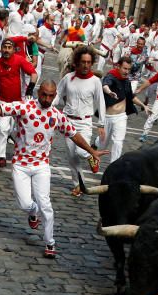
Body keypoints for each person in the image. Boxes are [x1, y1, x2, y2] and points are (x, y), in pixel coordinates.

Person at [0, 80, 104, 258]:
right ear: (38, 93)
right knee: (25, 203)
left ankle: (50, 242)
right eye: (44, 94)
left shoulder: (57, 116)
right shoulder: (24, 107)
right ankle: (32, 211)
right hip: (21, 164)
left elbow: (74, 135)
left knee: (46, 204)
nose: (47, 98)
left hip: (41, 166)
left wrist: (92, 152)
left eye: (51, 96)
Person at [57, 46, 105, 196]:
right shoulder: (68, 78)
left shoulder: (95, 81)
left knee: (80, 151)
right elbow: (58, 95)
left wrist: (101, 124)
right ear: (77, 62)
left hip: (85, 122)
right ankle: (78, 185)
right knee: (72, 157)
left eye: (89, 62)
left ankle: (91, 155)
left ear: (92, 63)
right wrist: (46, 107)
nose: (85, 65)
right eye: (83, 62)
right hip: (68, 121)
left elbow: (101, 102)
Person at [0, 39, 38, 168]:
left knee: (20, 129)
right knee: (2, 128)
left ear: (13, 49)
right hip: (4, 101)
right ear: (1, 48)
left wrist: (30, 88)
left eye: (9, 47)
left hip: (20, 101)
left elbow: (34, 74)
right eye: (4, 47)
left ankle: (22, 154)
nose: (6, 50)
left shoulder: (20, 60)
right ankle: (1, 157)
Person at [100, 56, 144, 163]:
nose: (127, 71)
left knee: (118, 142)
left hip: (121, 117)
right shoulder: (111, 76)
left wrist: (143, 105)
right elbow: (105, 85)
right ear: (118, 66)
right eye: (125, 68)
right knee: (102, 143)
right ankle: (94, 147)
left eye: (129, 69)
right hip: (108, 117)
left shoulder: (127, 82)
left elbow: (131, 97)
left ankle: (113, 166)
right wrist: (109, 91)